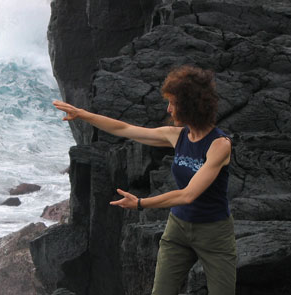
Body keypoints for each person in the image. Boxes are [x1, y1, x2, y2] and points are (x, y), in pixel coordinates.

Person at [53, 65, 236, 295]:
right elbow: (124, 129)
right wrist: (82, 114)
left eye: (172, 103)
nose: (168, 109)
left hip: (214, 234)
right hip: (178, 230)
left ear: (190, 106)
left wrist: (140, 204)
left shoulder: (219, 145)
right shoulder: (177, 136)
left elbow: (187, 195)